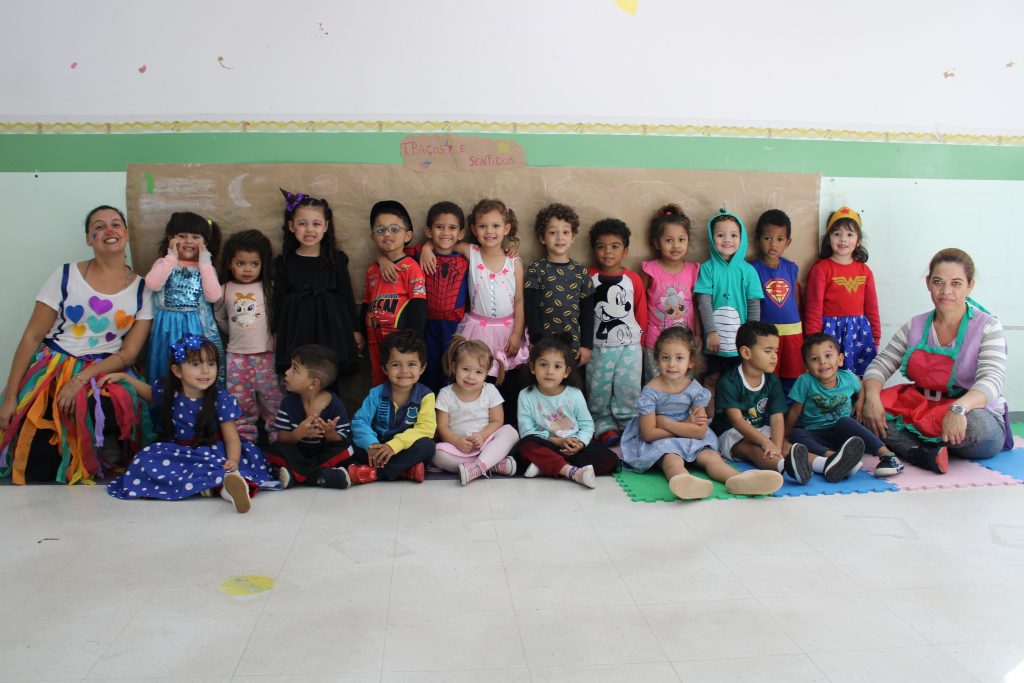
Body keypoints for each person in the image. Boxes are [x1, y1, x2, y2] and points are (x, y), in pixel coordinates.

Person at [0, 206, 153, 485]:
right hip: (54, 368)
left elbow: (129, 353)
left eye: (116, 224)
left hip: (103, 370)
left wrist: (80, 380)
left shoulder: (143, 289)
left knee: (106, 404)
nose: (109, 230)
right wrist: (11, 396)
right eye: (99, 226)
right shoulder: (65, 275)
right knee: (37, 471)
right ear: (89, 239)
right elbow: (32, 336)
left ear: (126, 233)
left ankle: (103, 447)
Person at [861, 248, 1012, 472]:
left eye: (956, 283)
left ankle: (910, 445)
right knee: (860, 407)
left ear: (970, 285)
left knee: (976, 428)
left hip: (970, 411)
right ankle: (923, 453)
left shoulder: (988, 326)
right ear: (928, 283)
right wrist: (872, 397)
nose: (946, 291)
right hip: (924, 409)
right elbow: (880, 364)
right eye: (938, 282)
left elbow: (992, 381)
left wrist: (958, 409)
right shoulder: (915, 325)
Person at [105, 334, 279, 513]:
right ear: (177, 371)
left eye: (211, 364)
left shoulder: (220, 398)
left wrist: (233, 460)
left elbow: (232, 438)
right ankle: (207, 485)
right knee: (144, 459)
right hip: (180, 452)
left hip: (213, 451)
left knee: (223, 467)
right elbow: (149, 393)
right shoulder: (169, 391)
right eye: (196, 364)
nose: (205, 371)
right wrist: (124, 377)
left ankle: (229, 488)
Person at [621, 326, 783, 500]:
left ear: (691, 361)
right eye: (665, 357)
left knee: (711, 457)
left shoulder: (695, 390)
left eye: (679, 358)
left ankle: (739, 480)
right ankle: (684, 482)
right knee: (672, 460)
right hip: (661, 442)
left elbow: (699, 432)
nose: (672, 364)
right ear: (657, 359)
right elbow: (649, 434)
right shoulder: (650, 393)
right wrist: (686, 426)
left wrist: (668, 423)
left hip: (684, 436)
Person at [711, 321, 862, 484]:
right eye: (768, 351)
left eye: (776, 351)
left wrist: (776, 445)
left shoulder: (772, 380)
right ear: (746, 353)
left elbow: (777, 417)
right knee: (755, 449)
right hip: (731, 433)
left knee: (786, 445)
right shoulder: (729, 382)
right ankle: (786, 467)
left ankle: (827, 464)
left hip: (760, 428)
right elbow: (737, 421)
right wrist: (766, 443)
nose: (774, 356)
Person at [422, 198, 529, 424]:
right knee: (480, 378)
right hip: (478, 330)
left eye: (496, 226)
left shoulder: (514, 262)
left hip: (507, 330)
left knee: (507, 381)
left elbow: (520, 301)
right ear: (473, 229)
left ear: (506, 228)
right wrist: (426, 247)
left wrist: (517, 334)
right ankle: (476, 425)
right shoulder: (471, 252)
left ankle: (507, 427)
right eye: (482, 226)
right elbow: (445, 244)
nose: (489, 231)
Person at [272, 190, 362, 390]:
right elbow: (278, 299)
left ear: (326, 226)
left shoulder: (336, 260)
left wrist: (354, 330)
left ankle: (329, 408)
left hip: (330, 329)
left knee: (327, 374)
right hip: (296, 328)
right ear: (291, 226)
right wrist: (276, 331)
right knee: (299, 375)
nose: (309, 230)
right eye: (302, 223)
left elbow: (346, 295)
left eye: (316, 224)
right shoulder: (285, 262)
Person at [378, 201, 470, 393]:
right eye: (439, 227)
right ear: (428, 231)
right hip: (426, 325)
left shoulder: (466, 258)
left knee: (451, 370)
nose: (445, 233)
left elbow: (489, 254)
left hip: (455, 327)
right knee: (425, 368)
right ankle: (425, 407)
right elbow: (393, 252)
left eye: (452, 228)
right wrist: (382, 260)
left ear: (461, 233)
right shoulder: (418, 253)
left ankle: (447, 409)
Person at [786, 333, 902, 480]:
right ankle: (835, 458)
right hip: (817, 434)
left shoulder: (848, 377)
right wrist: (786, 435)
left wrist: (860, 402)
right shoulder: (804, 381)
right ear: (806, 366)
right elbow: (794, 411)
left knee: (846, 422)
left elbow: (861, 385)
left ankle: (888, 456)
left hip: (844, 435)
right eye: (814, 359)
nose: (822, 362)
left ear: (840, 359)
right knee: (796, 434)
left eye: (828, 355)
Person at [515, 337, 620, 488]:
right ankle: (570, 471)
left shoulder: (574, 394)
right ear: (532, 367)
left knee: (611, 460)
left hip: (573, 446)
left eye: (557, 366)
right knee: (525, 445)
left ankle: (546, 466)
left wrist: (580, 443)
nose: (550, 371)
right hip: (547, 445)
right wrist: (557, 441)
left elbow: (587, 424)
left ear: (566, 372)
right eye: (543, 365)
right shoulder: (526, 395)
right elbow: (527, 432)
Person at [268, 344, 368, 489]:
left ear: (313, 384)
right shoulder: (288, 403)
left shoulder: (335, 404)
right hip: (298, 453)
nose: (287, 372)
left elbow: (341, 438)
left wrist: (330, 433)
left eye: (295, 369)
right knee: (275, 449)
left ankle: (298, 475)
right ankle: (320, 476)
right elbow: (282, 437)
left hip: (324, 453)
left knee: (347, 449)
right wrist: (297, 434)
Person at [214, 229, 282, 444]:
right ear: (229, 264)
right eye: (240, 263)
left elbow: (277, 317)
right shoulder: (224, 290)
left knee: (273, 400)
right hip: (236, 357)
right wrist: (235, 332)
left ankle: (278, 443)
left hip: (267, 355)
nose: (247, 269)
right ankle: (245, 445)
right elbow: (220, 317)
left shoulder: (270, 288)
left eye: (254, 263)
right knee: (240, 402)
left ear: (263, 264)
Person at [144, 211, 225, 387]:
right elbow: (152, 284)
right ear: (170, 238)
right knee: (167, 369)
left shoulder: (205, 268)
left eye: (195, 237)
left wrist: (205, 263)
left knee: (195, 369)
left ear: (205, 242)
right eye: (182, 236)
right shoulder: (164, 263)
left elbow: (214, 296)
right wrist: (171, 258)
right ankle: (165, 401)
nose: (188, 241)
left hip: (196, 328)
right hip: (166, 329)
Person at [587, 218, 647, 446]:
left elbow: (640, 310)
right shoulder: (588, 277)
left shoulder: (633, 279)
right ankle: (603, 426)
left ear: (625, 250)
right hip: (598, 346)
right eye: (601, 246)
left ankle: (629, 425)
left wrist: (641, 341)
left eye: (615, 246)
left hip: (630, 346)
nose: (608, 252)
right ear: (594, 249)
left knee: (628, 388)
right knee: (598, 389)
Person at [694, 210, 763, 402]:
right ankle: (709, 416)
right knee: (711, 379)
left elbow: (754, 306)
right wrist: (711, 332)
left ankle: (736, 416)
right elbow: (704, 303)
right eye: (720, 235)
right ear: (711, 238)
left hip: (740, 343)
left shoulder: (748, 271)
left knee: (738, 381)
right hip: (714, 343)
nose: (727, 240)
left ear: (742, 238)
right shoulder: (707, 269)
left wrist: (751, 337)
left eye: (733, 235)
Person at [350, 330, 436, 482]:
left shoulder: (426, 396)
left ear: (422, 368)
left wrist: (394, 445)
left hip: (405, 447)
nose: (404, 371)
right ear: (385, 368)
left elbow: (426, 428)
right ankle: (404, 471)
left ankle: (376, 473)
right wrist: (372, 445)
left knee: (427, 446)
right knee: (350, 441)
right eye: (396, 365)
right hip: (378, 447)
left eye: (412, 364)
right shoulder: (376, 393)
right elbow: (360, 421)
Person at [804, 206, 880, 376]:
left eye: (850, 234)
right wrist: (813, 342)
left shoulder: (865, 271)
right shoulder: (821, 269)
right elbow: (813, 309)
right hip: (829, 334)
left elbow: (872, 309)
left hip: (859, 335)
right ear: (828, 238)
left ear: (858, 240)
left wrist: (875, 338)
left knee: (858, 380)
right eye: (837, 234)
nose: (843, 239)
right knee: (830, 378)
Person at [432, 336, 519, 485]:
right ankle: (492, 464)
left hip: (487, 444)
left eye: (479, 372)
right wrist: (456, 441)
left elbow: (497, 421)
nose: (471, 376)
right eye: (465, 369)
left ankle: (479, 465)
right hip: (459, 448)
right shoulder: (445, 394)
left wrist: (482, 436)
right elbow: (442, 427)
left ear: (487, 372)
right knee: (435, 454)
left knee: (511, 432)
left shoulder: (490, 390)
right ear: (454, 367)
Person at [363, 200, 427, 385]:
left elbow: (418, 306)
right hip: (375, 341)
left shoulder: (411, 268)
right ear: (373, 236)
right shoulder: (372, 270)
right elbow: (366, 303)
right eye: (380, 230)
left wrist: (411, 341)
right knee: (379, 384)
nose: (387, 234)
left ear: (408, 235)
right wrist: (361, 332)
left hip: (401, 344)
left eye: (394, 229)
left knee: (401, 385)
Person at [524, 203, 595, 366]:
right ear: (542, 238)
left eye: (565, 232)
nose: (560, 237)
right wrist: (536, 340)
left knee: (570, 378)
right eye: (553, 232)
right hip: (543, 344)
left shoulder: (581, 272)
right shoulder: (537, 270)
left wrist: (586, 345)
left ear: (573, 237)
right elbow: (531, 309)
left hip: (573, 346)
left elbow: (587, 313)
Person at [640, 204, 701, 383]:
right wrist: (640, 338)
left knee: (683, 385)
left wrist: (698, 335)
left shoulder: (693, 271)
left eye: (681, 240)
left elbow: (696, 306)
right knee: (657, 384)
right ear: (656, 243)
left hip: (685, 343)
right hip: (655, 343)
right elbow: (640, 306)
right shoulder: (649, 270)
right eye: (669, 240)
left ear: (688, 241)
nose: (676, 246)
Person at [750, 209, 804, 392]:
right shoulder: (751, 269)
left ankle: (788, 410)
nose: (773, 244)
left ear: (788, 242)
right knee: (766, 378)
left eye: (780, 239)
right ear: (757, 240)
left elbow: (796, 300)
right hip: (766, 337)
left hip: (793, 336)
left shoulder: (791, 268)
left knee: (792, 379)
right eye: (767, 238)